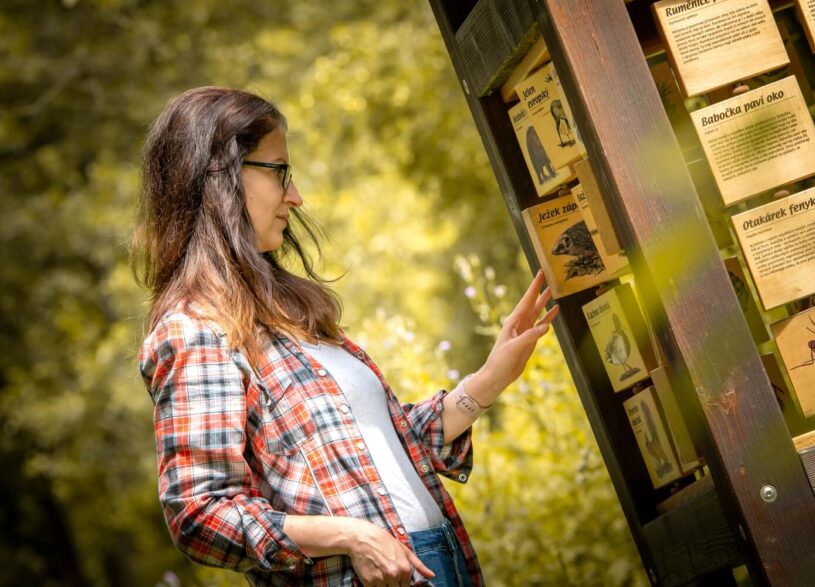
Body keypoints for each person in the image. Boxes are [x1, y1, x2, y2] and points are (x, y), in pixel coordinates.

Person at [133, 87, 558, 587]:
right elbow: (198, 512)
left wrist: (488, 380)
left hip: (438, 560)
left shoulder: (284, 311)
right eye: (279, 171)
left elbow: (381, 455)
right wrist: (350, 536)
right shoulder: (194, 330)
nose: (296, 196)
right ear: (221, 178)